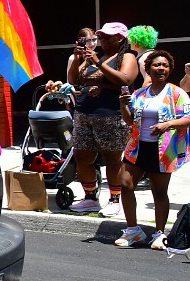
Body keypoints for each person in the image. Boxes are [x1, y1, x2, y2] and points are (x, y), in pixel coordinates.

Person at [116, 50, 190, 248]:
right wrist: (124, 106)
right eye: (157, 65)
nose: (161, 69)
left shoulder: (176, 93)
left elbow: (187, 119)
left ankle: (158, 234)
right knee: (125, 184)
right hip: (137, 148)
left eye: (165, 66)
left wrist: (168, 124)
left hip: (163, 151)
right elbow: (130, 120)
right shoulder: (139, 94)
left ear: (170, 70)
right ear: (148, 69)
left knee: (159, 192)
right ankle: (133, 231)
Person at [66, 21, 139, 217]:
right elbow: (73, 80)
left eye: (107, 37)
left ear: (120, 38)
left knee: (112, 158)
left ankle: (115, 199)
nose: (102, 40)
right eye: (101, 37)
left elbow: (125, 79)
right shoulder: (90, 57)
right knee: (82, 156)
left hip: (111, 115)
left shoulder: (127, 57)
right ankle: (90, 198)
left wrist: (98, 62)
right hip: (83, 113)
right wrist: (77, 58)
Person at [126, 25, 158, 90]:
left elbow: (149, 81)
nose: (129, 43)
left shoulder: (145, 57)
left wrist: (139, 97)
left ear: (136, 41)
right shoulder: (152, 54)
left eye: (131, 40)